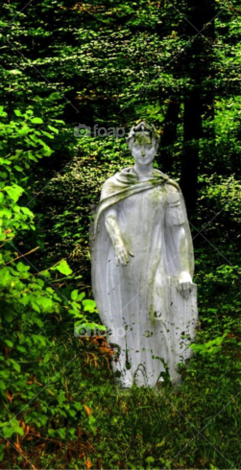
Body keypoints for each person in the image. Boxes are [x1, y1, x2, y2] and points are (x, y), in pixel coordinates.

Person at [89, 120, 198, 387]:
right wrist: (117, 242)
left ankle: (164, 374)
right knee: (126, 319)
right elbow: (108, 216)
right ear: (129, 147)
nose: (143, 151)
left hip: (157, 261)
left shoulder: (166, 187)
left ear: (156, 148)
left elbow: (179, 231)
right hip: (125, 263)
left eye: (148, 145)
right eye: (137, 145)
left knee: (158, 312)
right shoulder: (116, 184)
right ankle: (129, 377)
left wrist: (183, 269)